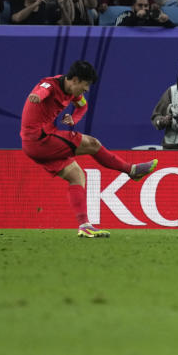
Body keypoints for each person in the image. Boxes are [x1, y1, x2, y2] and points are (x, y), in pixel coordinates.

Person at [20, 61, 158, 238]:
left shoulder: (71, 91)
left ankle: (84, 225)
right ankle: (131, 170)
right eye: (84, 87)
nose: (85, 91)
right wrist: (37, 96)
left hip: (38, 142)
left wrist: (74, 119)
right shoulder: (49, 85)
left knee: (77, 175)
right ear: (75, 80)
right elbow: (42, 90)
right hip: (39, 139)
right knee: (92, 144)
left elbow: (83, 106)